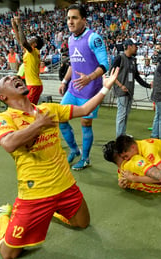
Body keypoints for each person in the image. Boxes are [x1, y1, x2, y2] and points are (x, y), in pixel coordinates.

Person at [0, 68, 119, 259]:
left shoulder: (49, 109)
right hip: (34, 193)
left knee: (83, 223)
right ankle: (2, 216)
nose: (15, 78)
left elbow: (85, 110)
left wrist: (104, 88)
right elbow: (9, 143)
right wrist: (38, 124)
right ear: (3, 97)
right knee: (9, 254)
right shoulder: (3, 118)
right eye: (8, 79)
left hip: (65, 185)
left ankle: (52, 211)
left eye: (16, 77)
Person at [57, 4, 109, 171]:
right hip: (73, 89)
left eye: (74, 18)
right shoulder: (71, 39)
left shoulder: (94, 38)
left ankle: (85, 159)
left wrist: (90, 78)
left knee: (85, 123)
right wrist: (64, 81)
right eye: (68, 18)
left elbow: (104, 65)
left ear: (84, 20)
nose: (70, 22)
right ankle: (75, 150)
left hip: (90, 91)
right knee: (61, 118)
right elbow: (73, 63)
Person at [111, 38, 151, 137]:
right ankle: (119, 137)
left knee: (126, 114)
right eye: (135, 46)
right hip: (121, 91)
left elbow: (136, 76)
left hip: (129, 91)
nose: (137, 48)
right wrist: (121, 86)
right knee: (122, 115)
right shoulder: (119, 58)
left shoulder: (133, 60)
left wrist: (148, 85)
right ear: (129, 46)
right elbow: (111, 74)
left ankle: (122, 134)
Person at [11, 16, 44, 105]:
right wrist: (14, 26)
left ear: (35, 44)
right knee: (27, 108)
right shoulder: (30, 51)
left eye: (32, 39)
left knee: (28, 109)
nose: (30, 38)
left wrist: (19, 24)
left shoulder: (34, 51)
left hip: (34, 86)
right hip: (31, 85)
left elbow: (24, 42)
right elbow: (21, 42)